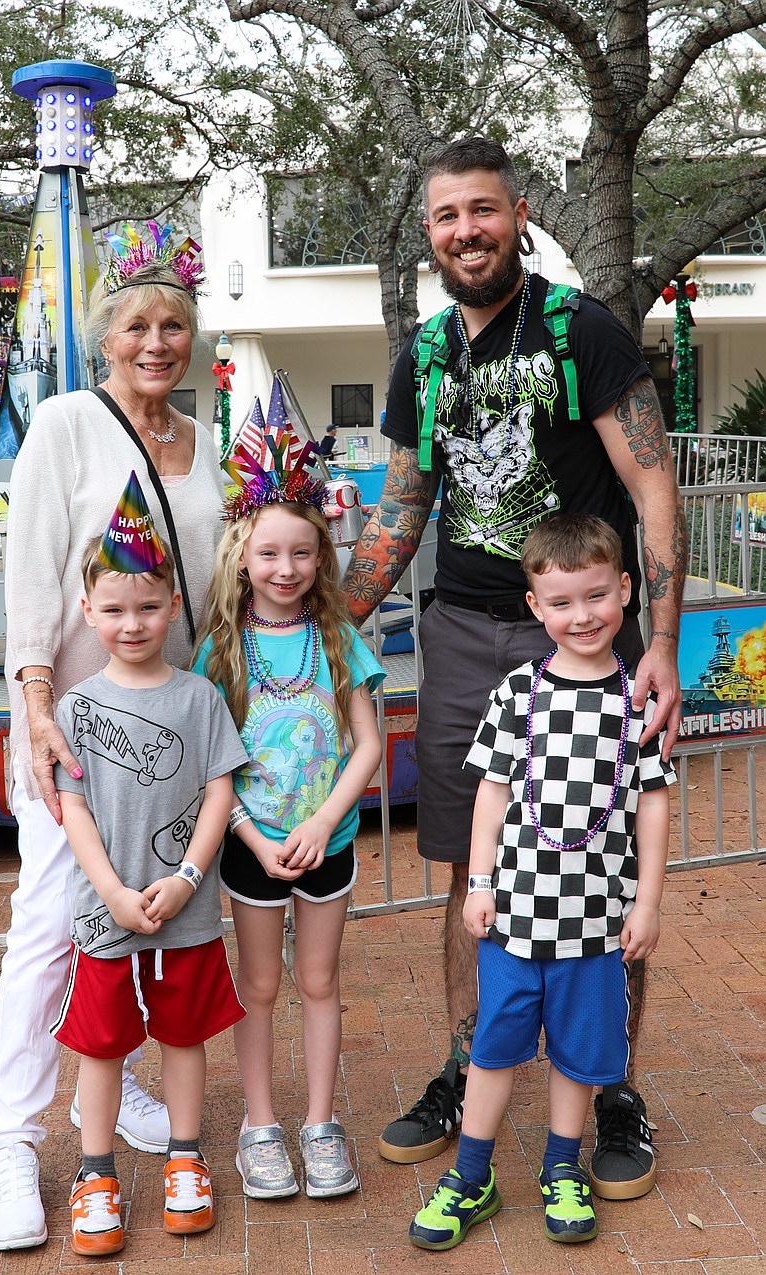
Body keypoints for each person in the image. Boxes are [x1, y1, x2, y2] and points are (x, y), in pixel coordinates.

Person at [342, 137, 686, 1196]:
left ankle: (613, 1087)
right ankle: (469, 1065)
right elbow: (403, 504)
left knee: (606, 866)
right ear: (430, 233)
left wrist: (661, 641)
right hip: (461, 638)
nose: (466, 232)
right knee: (469, 866)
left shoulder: (582, 330)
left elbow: (653, 489)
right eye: (447, 217)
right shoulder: (426, 354)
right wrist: (323, 625)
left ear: (518, 214)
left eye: (483, 210)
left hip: (578, 641)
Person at [0, 225, 224, 1251]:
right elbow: (32, 576)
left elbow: (215, 589)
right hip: (75, 736)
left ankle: (113, 1084)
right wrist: (35, 706)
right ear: (103, 337)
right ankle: (11, 1138)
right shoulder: (67, 424)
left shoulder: (206, 441)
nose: (155, 343)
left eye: (173, 325)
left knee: (159, 922)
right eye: (136, 326)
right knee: (51, 923)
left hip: (172, 733)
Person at [408, 514, 675, 1251]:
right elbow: (491, 793)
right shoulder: (517, 693)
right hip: (515, 921)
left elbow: (653, 805)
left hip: (596, 923)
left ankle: (562, 1166)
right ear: (535, 606)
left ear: (625, 589)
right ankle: (471, 1174)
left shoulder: (638, 700)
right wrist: (479, 883)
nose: (581, 615)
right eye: (561, 602)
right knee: (493, 1047)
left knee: (579, 1055)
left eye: (596, 595)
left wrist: (648, 902)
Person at [51, 492, 247, 1257]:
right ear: (88, 612)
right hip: (106, 913)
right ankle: (95, 1173)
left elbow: (219, 792)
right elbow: (74, 809)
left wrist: (190, 877)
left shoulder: (200, 698)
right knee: (102, 1044)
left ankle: (184, 1156)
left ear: (172, 605)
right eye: (113, 609)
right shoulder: (76, 707)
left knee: (183, 1034)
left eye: (146, 607)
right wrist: (110, 890)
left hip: (184, 911)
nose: (131, 623)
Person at [193, 440, 384, 1200]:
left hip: (328, 844)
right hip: (252, 848)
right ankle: (261, 1122)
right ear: (242, 558)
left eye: (301, 552)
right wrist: (248, 834)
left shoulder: (339, 642)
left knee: (319, 980)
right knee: (261, 985)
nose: (285, 567)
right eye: (269, 552)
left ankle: (320, 1122)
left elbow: (367, 744)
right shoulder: (221, 652)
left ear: (320, 556)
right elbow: (211, 764)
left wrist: (325, 820)